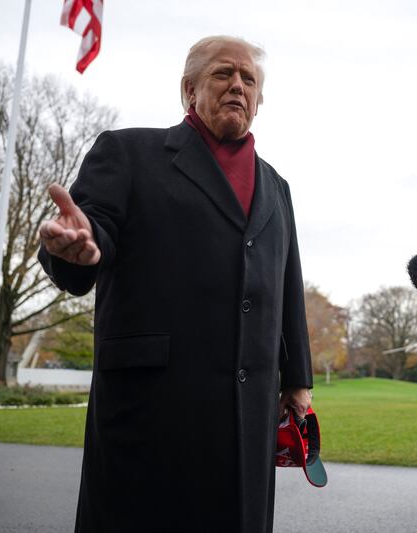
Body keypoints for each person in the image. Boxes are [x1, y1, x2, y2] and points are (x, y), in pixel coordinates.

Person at [38, 35, 313, 532]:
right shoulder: (128, 152)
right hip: (152, 411)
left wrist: (297, 380)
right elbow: (90, 227)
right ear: (189, 90)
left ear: (260, 100)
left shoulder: (277, 187)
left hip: (247, 414)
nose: (237, 85)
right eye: (223, 74)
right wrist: (76, 246)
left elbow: (288, 284)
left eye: (248, 79)